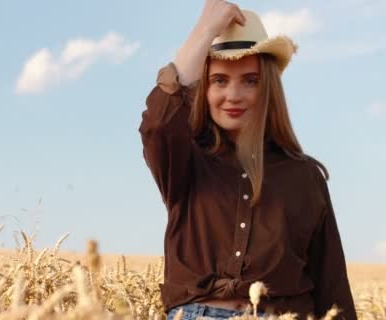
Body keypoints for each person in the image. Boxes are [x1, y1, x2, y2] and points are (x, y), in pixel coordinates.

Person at [137, 1, 357, 319]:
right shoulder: (186, 162)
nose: (234, 95)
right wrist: (204, 29)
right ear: (203, 88)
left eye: (250, 81)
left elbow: (331, 282)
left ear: (268, 88)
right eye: (219, 80)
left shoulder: (305, 175)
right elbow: (158, 123)